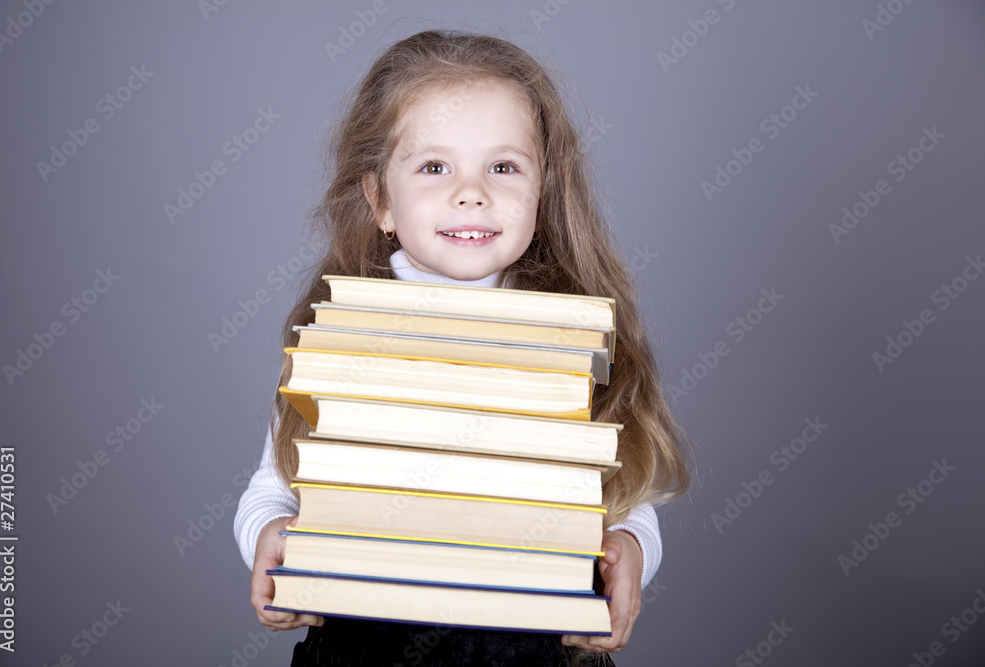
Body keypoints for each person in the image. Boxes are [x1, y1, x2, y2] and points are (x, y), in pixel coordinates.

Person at [234, 28, 692, 666]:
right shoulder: (343, 333)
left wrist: (631, 553)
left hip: (532, 649)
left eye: (502, 167)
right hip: (367, 646)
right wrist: (270, 535)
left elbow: (627, 494)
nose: (471, 192)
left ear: (543, 191)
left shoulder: (575, 338)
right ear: (380, 199)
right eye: (433, 167)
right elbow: (273, 482)